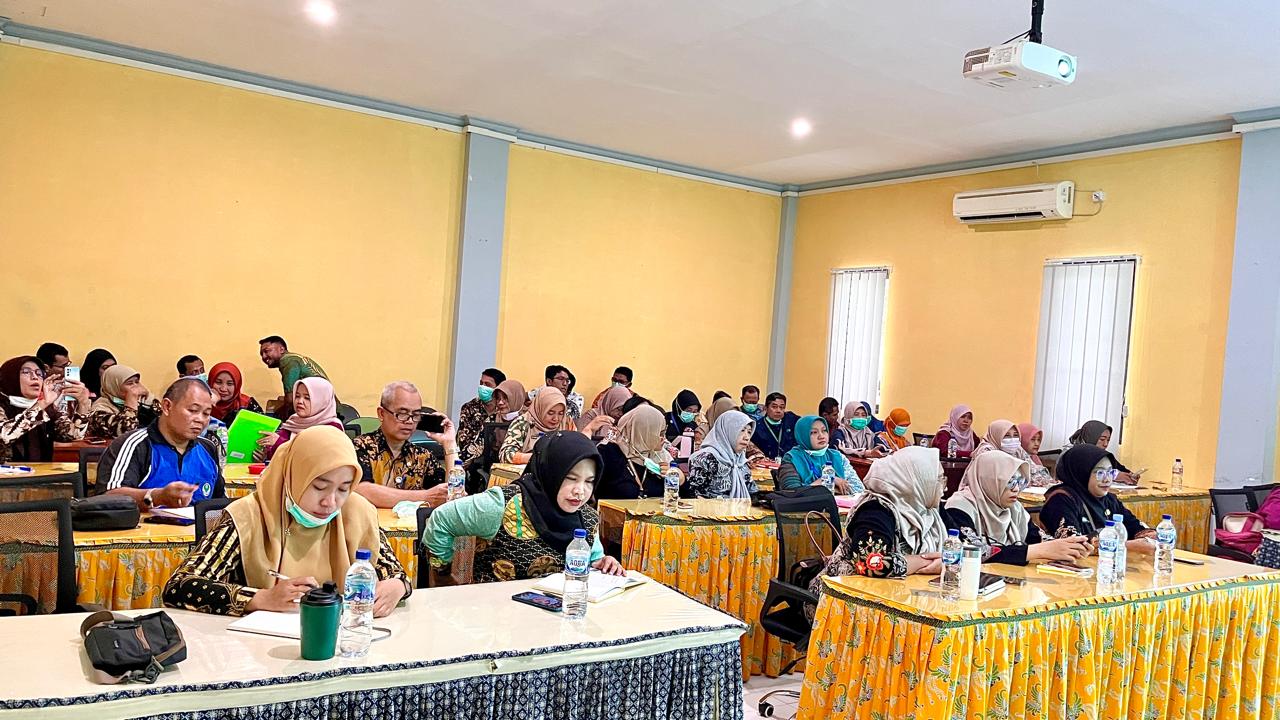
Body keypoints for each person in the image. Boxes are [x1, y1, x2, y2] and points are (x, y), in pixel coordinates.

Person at [163, 425, 410, 617]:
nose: (330, 502)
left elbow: (396, 573)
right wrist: (261, 598)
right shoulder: (249, 516)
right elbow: (179, 586)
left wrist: (398, 586)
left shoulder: (357, 512)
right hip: (256, 650)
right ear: (293, 475)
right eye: (319, 487)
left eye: (344, 489)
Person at [422, 431, 626, 583]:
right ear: (550, 472)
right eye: (571, 478)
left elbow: (594, 558)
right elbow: (441, 520)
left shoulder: (587, 518)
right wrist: (443, 576)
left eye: (589, 482)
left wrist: (604, 563)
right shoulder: (502, 505)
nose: (580, 491)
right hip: (496, 618)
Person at [812, 446, 958, 582]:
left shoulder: (930, 509)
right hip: (849, 593)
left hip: (906, 590)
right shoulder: (875, 510)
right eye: (939, 480)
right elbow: (870, 563)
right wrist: (928, 562)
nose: (944, 488)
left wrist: (947, 561)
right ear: (917, 481)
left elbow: (962, 544)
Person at [945, 451, 1091, 565]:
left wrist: (1074, 545)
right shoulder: (959, 506)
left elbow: (1038, 538)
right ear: (988, 480)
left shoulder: (1014, 508)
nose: (1016, 489)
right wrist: (1035, 551)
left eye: (1020, 482)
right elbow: (972, 552)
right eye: (1009, 482)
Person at [100, 378, 224, 511]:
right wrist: (157, 497)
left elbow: (220, 504)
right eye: (193, 410)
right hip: (143, 525)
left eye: (206, 413)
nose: (200, 419)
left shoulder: (208, 448)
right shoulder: (135, 444)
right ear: (167, 406)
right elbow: (108, 498)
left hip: (197, 525)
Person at [353, 381, 455, 509]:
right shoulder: (361, 446)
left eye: (415, 415)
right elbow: (361, 490)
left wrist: (449, 444)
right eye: (402, 414)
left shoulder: (422, 456)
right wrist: (425, 496)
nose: (410, 421)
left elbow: (450, 494)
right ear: (381, 413)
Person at [1038, 444, 1157, 553]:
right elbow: (1072, 544)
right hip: (1072, 567)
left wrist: (1150, 537)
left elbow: (1136, 528)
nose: (1107, 479)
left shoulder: (1109, 500)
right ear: (1082, 472)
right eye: (1099, 473)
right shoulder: (1061, 500)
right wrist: (1126, 546)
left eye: (1110, 472)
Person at [0, 356, 90, 463]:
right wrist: (41, 404)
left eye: (39, 373)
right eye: (26, 372)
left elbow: (70, 435)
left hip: (40, 471)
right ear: (10, 377)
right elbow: (3, 436)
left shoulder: (46, 408)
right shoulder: (3, 404)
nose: (35, 377)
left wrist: (83, 404)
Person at [500, 387, 610, 464]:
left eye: (560, 413)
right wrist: (537, 459)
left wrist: (589, 429)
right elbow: (506, 454)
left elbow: (576, 450)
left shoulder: (566, 422)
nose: (556, 419)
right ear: (540, 409)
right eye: (550, 413)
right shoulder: (523, 422)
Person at [255, 377, 343, 462]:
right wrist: (265, 456)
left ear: (322, 401)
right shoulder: (294, 422)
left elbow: (316, 458)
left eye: (307, 398)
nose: (300, 401)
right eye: (297, 396)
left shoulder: (332, 427)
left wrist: (279, 443)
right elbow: (280, 456)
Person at [595, 405, 672, 499]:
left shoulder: (658, 455)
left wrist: (679, 479)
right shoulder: (607, 453)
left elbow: (678, 495)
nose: (664, 439)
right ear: (642, 432)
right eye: (660, 433)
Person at [777, 416, 860, 493]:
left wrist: (827, 487)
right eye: (814, 432)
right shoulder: (792, 458)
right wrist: (826, 481)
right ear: (803, 435)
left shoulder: (837, 456)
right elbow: (792, 492)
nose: (821, 436)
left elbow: (858, 489)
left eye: (824, 430)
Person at [687, 409, 758, 499]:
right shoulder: (705, 459)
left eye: (749, 432)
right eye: (741, 430)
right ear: (727, 431)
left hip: (741, 507)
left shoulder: (740, 460)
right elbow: (696, 496)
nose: (746, 437)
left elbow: (752, 491)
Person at [258, 335, 329, 415]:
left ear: (281, 349)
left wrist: (278, 415)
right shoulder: (294, 358)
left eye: (267, 351)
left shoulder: (288, 361)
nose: (263, 357)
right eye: (261, 354)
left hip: (322, 412)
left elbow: (290, 400)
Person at [85, 364, 157, 441]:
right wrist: (131, 403)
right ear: (114, 385)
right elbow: (126, 432)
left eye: (137, 382)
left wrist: (150, 400)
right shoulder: (99, 408)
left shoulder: (141, 401)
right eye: (130, 383)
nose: (136, 387)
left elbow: (163, 421)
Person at [971, 419, 1053, 486]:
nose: (1012, 439)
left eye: (1016, 435)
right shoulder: (986, 451)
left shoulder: (1017, 450)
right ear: (997, 435)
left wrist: (1047, 481)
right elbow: (1000, 479)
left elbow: (1033, 469)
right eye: (1007, 435)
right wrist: (1024, 480)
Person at [456, 368, 507, 466]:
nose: (482, 387)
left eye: (487, 385)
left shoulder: (504, 409)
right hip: (472, 460)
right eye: (481, 383)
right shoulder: (469, 408)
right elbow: (463, 440)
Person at [1066, 420, 1142, 482]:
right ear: (1090, 437)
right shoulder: (1074, 454)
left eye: (1108, 440)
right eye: (1102, 439)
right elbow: (1083, 474)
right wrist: (1114, 476)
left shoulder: (1104, 456)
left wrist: (1130, 476)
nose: (1105, 444)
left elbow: (1121, 469)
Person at [208, 362, 264, 426]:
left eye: (230, 384)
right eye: (218, 382)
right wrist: (210, 403)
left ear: (237, 385)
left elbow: (264, 428)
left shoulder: (247, 404)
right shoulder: (202, 403)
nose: (223, 389)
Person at [751, 392, 800, 460]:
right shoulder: (757, 428)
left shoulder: (791, 420)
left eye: (782, 407)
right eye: (774, 407)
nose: (778, 411)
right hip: (767, 463)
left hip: (790, 461)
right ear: (765, 408)